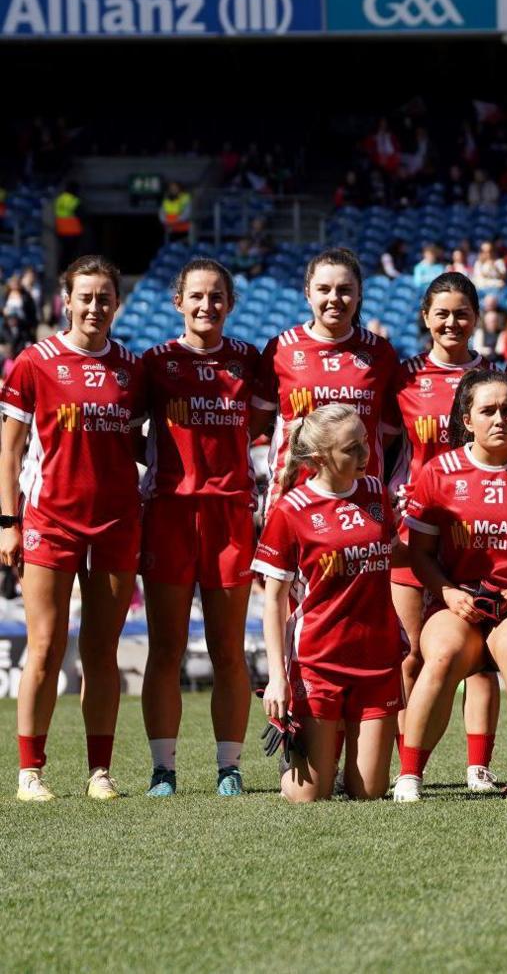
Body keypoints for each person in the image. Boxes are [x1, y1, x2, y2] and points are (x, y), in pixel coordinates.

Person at [3, 258, 143, 802]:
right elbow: (9, 450)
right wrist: (8, 522)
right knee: (44, 646)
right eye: (85, 297)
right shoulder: (33, 362)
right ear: (66, 300)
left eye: (104, 297)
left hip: (114, 523)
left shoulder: (132, 368)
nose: (94, 306)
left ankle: (99, 772)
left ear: (116, 302)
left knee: (101, 650)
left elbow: (137, 446)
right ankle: (29, 773)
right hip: (49, 522)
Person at [136, 258, 271, 797]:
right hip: (169, 513)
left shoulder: (246, 360)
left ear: (230, 304)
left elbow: (256, 425)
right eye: (196, 296)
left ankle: (229, 768)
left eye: (217, 296)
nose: (206, 305)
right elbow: (128, 432)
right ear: (178, 303)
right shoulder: (155, 362)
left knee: (228, 649)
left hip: (229, 515)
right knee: (165, 648)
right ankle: (163, 769)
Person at [395, 371, 507, 802]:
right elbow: (420, 554)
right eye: (487, 411)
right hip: (458, 601)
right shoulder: (438, 472)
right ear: (467, 419)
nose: (500, 418)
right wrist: (448, 592)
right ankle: (409, 775)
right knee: (443, 652)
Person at [254, 405, 403, 802]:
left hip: (377, 658)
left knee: (369, 792)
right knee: (307, 797)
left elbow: (396, 555)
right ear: (320, 459)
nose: (365, 456)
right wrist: (277, 678)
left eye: (365, 443)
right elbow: (273, 600)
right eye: (351, 449)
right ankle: (301, 751)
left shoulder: (374, 492)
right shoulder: (290, 511)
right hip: (319, 662)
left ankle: (329, 752)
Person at [391, 272, 501, 791]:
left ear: (476, 317)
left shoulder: (496, 377)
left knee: (481, 656)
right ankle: (408, 767)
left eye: (462, 313)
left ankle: (478, 765)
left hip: (484, 535)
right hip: (418, 532)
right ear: (425, 317)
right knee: (411, 654)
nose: (452, 322)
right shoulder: (404, 378)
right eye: (442, 313)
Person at [257, 249, 401, 496]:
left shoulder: (380, 352)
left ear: (359, 295)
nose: (334, 298)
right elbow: (257, 422)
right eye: (324, 289)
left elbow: (388, 431)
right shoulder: (280, 348)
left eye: (344, 290)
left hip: (362, 496)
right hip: (293, 495)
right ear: (308, 293)